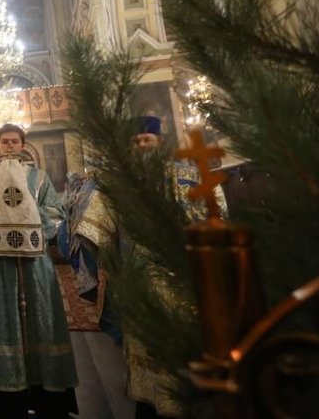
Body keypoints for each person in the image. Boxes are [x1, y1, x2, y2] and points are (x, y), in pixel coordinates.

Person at [0, 124, 79, 419]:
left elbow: (56, 215)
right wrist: (4, 224)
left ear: (23, 145)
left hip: (36, 263)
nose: (10, 146)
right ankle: (8, 399)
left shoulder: (39, 179)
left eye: (15, 141)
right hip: (1, 265)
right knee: (5, 323)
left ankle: (50, 398)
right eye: (5, 142)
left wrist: (28, 214)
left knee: (43, 320)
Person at [125, 116, 227, 419]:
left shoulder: (189, 173)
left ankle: (189, 400)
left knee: (186, 336)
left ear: (159, 141)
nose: (143, 145)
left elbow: (216, 209)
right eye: (137, 141)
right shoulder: (126, 180)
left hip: (183, 270)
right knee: (146, 337)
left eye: (147, 140)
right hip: (142, 270)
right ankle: (150, 402)